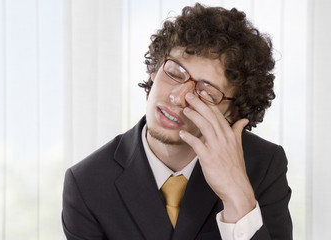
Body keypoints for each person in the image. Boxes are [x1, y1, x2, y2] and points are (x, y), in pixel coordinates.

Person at [62, 3, 292, 240]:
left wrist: (238, 198)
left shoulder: (264, 165)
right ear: (154, 70)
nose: (178, 97)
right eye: (174, 72)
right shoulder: (87, 183)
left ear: (231, 113)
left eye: (206, 92)